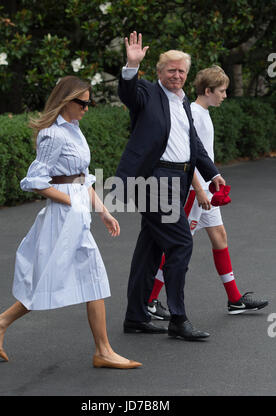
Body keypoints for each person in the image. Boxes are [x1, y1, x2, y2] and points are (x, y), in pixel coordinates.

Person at [0, 75, 142, 369]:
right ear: (66, 102)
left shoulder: (75, 130)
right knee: (66, 276)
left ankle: (3, 322)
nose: (86, 107)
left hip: (77, 211)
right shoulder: (52, 135)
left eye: (89, 102)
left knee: (81, 276)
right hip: (63, 215)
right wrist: (70, 201)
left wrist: (102, 210)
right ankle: (101, 351)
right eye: (82, 102)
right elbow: (35, 181)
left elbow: (82, 177)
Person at [115, 31, 226, 340]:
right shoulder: (147, 94)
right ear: (159, 72)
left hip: (177, 179)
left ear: (186, 75)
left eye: (181, 71)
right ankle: (178, 319)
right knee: (180, 243)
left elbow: (192, 144)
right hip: (153, 181)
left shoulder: (182, 101)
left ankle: (136, 317)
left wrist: (212, 173)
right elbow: (127, 93)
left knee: (149, 251)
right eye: (170, 70)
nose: (176, 75)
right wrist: (130, 65)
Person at [147, 66, 268, 320]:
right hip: (196, 195)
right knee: (176, 247)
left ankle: (234, 300)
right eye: (222, 91)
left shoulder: (203, 112)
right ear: (208, 90)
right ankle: (150, 300)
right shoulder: (194, 114)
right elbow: (187, 157)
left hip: (205, 193)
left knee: (220, 237)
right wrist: (200, 190)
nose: (225, 95)